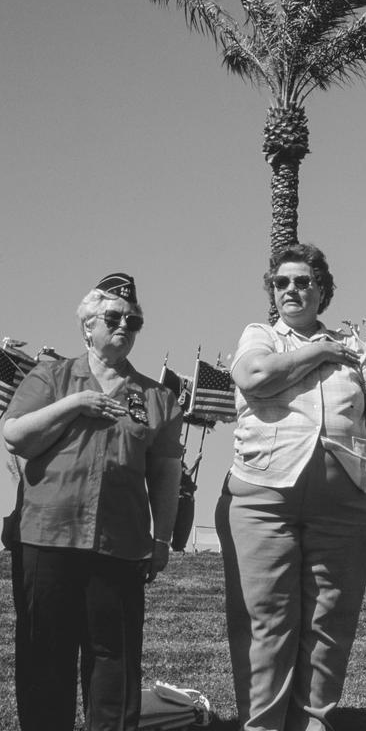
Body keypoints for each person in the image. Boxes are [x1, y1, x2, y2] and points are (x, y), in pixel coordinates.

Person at [217, 243, 366, 729]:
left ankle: (314, 722)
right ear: (272, 290)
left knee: (331, 623)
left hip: (347, 505)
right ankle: (263, 725)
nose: (292, 289)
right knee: (266, 620)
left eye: (303, 281)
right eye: (282, 282)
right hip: (262, 500)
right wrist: (320, 351)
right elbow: (254, 376)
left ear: (322, 289)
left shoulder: (357, 350)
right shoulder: (260, 336)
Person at [2, 273, 184, 730]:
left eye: (134, 320)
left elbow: (165, 474)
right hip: (47, 538)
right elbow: (15, 434)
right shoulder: (52, 376)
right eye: (113, 317)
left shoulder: (157, 396)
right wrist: (76, 403)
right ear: (87, 326)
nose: (125, 325)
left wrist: (162, 539)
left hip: (119, 545)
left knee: (114, 662)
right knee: (45, 658)